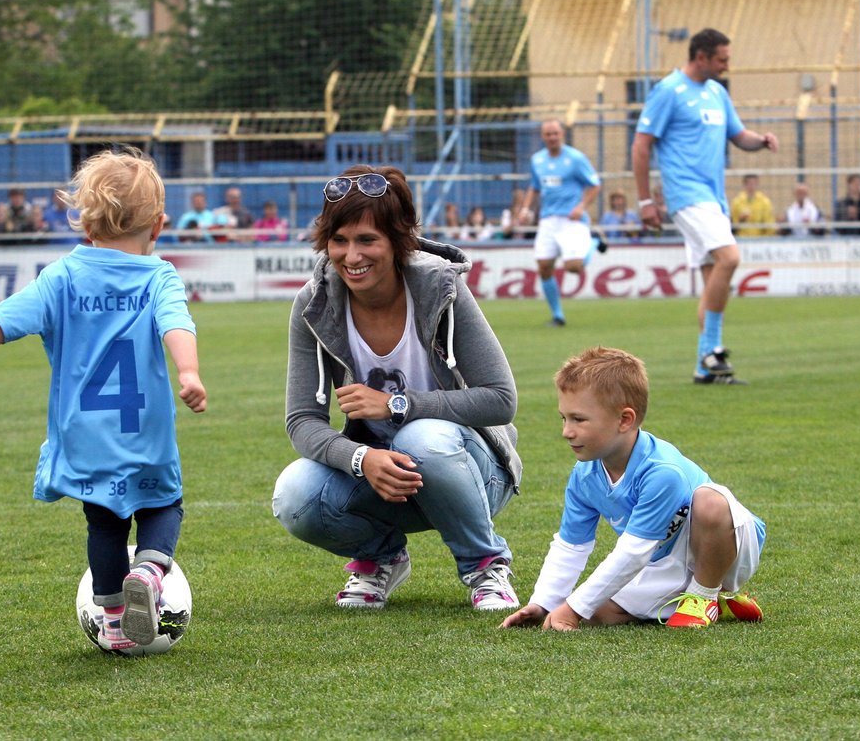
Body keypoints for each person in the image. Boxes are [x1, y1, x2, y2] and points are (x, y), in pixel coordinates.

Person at [0, 148, 207, 651]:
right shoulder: (158, 275)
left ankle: (114, 619)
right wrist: (188, 372)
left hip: (85, 437)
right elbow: (176, 323)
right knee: (164, 504)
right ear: (158, 226)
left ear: (86, 226)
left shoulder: (63, 275)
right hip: (144, 432)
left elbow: (8, 318)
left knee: (104, 523)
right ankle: (151, 568)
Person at [272, 164, 523, 613]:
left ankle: (485, 563)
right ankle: (379, 559)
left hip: (471, 471)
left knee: (420, 436)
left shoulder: (441, 289)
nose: (351, 256)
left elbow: (501, 399)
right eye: (340, 240)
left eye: (367, 240)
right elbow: (301, 421)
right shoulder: (314, 304)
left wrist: (395, 405)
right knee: (294, 493)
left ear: (398, 239)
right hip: (383, 478)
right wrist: (360, 457)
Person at [500, 347, 765, 632]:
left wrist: (573, 608)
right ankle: (713, 604)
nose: (566, 431)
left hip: (729, 547)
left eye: (578, 419)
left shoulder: (662, 471)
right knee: (595, 613)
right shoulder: (584, 476)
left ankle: (704, 595)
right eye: (563, 418)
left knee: (710, 501)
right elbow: (571, 546)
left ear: (625, 420)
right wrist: (544, 603)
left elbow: (633, 551)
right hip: (662, 561)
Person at [632, 27, 779, 385]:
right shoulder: (669, 91)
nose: (727, 66)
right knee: (730, 258)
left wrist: (760, 141)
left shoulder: (716, 92)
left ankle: (704, 366)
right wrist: (646, 200)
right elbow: (641, 145)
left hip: (714, 198)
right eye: (722, 60)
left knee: (714, 276)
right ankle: (713, 349)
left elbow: (737, 134)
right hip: (686, 194)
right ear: (702, 57)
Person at [519, 119, 603, 327]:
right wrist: (525, 208)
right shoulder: (537, 160)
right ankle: (558, 315)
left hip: (571, 220)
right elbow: (535, 187)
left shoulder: (575, 158)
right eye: (548, 134)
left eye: (555, 133)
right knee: (544, 266)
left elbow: (594, 185)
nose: (552, 137)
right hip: (548, 220)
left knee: (574, 267)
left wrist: (581, 206)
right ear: (542, 136)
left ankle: (593, 242)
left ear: (562, 134)